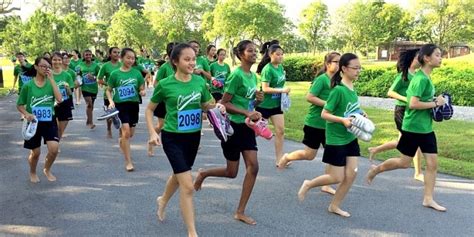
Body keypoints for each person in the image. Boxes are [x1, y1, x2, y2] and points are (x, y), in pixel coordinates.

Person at [145, 43, 224, 237]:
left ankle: (163, 200)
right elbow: (149, 110)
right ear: (175, 61)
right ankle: (192, 232)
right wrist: (152, 132)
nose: (191, 62)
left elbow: (207, 105)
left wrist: (217, 108)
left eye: (193, 59)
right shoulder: (165, 85)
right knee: (188, 185)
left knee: (180, 174)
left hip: (193, 137)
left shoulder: (199, 82)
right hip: (172, 138)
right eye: (186, 59)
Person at [367, 44, 447, 212]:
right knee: (404, 163)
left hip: (426, 128)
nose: (441, 58)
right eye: (438, 55)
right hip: (412, 128)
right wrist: (435, 103)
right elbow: (413, 103)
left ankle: (428, 198)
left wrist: (436, 103)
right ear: (427, 58)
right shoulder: (420, 79)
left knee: (432, 164)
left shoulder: (426, 77)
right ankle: (377, 170)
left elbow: (421, 100)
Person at [194, 40, 264, 225]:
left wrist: (256, 103)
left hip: (246, 128)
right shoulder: (237, 76)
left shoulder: (252, 77)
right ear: (241, 54)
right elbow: (223, 104)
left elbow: (246, 103)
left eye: (255, 51)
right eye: (250, 51)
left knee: (254, 167)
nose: (254, 53)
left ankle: (240, 211)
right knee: (231, 172)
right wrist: (247, 112)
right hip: (232, 127)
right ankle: (203, 174)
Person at [297, 53, 364, 218]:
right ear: (344, 69)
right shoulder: (338, 90)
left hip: (350, 138)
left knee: (352, 173)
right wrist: (342, 120)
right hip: (336, 140)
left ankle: (334, 205)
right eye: (355, 68)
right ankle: (309, 184)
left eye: (359, 68)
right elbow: (325, 114)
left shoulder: (352, 89)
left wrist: (361, 114)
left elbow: (350, 109)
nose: (358, 71)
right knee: (336, 177)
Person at [278, 52, 342, 194]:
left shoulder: (338, 81)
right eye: (336, 62)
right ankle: (287, 157)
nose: (338, 65)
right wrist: (328, 104)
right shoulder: (322, 79)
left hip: (330, 124)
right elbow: (310, 97)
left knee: (332, 153)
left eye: (340, 62)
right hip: (315, 123)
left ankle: (326, 184)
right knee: (309, 155)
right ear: (327, 63)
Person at [368, 49, 424, 182]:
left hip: (412, 111)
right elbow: (390, 92)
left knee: (403, 142)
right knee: (414, 142)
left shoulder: (417, 75)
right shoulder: (403, 75)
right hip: (402, 111)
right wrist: (407, 99)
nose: (421, 59)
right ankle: (417, 173)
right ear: (411, 59)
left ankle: (375, 149)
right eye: (418, 57)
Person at [16, 56, 62, 183]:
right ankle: (32, 171)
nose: (46, 69)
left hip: (49, 121)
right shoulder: (28, 86)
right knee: (35, 153)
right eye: (43, 66)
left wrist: (52, 79)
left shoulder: (52, 83)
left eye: (48, 66)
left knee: (54, 149)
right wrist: (26, 114)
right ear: (36, 67)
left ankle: (47, 169)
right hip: (33, 123)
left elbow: (59, 99)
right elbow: (19, 105)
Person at [106, 48, 145, 172]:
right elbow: (108, 89)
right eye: (128, 57)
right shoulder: (115, 74)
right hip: (120, 105)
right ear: (122, 58)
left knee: (130, 133)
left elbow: (141, 86)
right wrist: (111, 102)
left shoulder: (137, 73)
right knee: (126, 132)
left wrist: (142, 91)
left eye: (133, 58)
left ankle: (122, 140)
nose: (130, 60)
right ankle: (128, 161)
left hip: (133, 105)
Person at [255, 44, 290, 166]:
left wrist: (284, 94)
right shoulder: (267, 69)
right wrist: (281, 90)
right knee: (255, 132)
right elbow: (264, 88)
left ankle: (279, 159)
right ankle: (240, 146)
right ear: (270, 55)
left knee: (280, 131)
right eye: (278, 54)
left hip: (276, 106)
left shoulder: (280, 68)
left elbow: (280, 84)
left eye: (282, 54)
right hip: (264, 105)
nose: (280, 56)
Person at [147, 42, 177, 157]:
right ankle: (151, 140)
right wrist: (167, 92)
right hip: (162, 101)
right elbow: (156, 84)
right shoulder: (165, 67)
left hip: (175, 101)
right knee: (161, 125)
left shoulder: (181, 67)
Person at [98, 47, 122, 138]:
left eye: (118, 52)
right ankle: (109, 129)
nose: (117, 54)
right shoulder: (105, 66)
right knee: (110, 114)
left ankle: (121, 132)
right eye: (115, 52)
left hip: (120, 94)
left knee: (120, 113)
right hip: (109, 94)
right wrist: (108, 84)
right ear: (110, 54)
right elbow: (99, 80)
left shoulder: (122, 65)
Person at [51, 52, 74, 140]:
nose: (57, 62)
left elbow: (70, 93)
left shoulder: (67, 75)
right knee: (53, 128)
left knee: (61, 129)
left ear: (62, 61)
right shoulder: (47, 75)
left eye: (59, 60)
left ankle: (56, 143)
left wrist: (67, 88)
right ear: (51, 61)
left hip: (64, 103)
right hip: (51, 103)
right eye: (54, 60)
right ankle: (53, 145)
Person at [77, 49, 100, 129]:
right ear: (83, 56)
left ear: (92, 56)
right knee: (89, 103)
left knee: (91, 105)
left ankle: (88, 119)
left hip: (94, 88)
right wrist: (80, 81)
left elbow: (100, 77)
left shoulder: (96, 66)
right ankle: (91, 122)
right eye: (86, 55)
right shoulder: (80, 66)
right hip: (85, 88)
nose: (88, 56)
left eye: (89, 55)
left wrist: (93, 77)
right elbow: (78, 76)